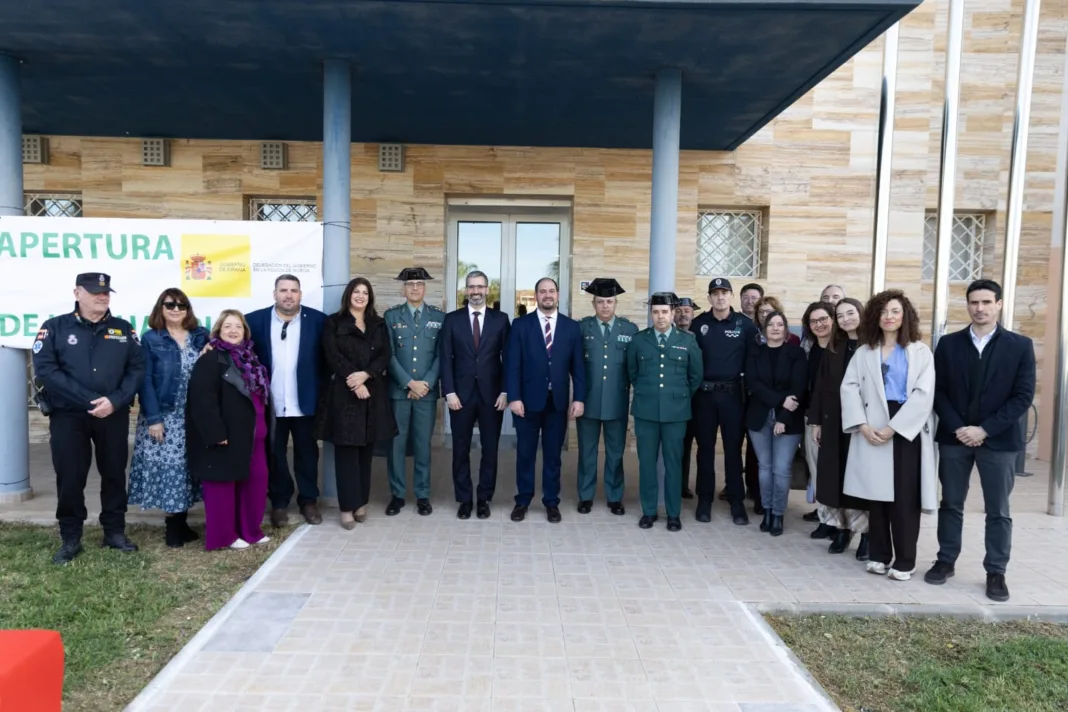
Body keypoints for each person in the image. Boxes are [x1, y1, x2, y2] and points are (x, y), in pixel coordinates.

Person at [925, 279, 1036, 602]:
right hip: (955, 437)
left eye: (986, 302)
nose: (980, 308)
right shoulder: (948, 345)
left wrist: (984, 429)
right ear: (968, 305)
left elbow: (1022, 396)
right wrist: (960, 427)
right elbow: (939, 391)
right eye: (974, 302)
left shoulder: (1019, 346)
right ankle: (946, 561)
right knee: (951, 504)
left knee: (998, 510)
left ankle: (996, 571)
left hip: (999, 442)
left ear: (999, 304)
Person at [32, 272, 145, 564]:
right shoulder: (54, 328)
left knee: (113, 474)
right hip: (69, 416)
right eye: (95, 291)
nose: (102, 296)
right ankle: (71, 537)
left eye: (106, 292)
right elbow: (46, 371)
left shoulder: (123, 329)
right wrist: (88, 400)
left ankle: (114, 533)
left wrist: (116, 401)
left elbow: (137, 369)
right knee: (70, 476)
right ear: (77, 293)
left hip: (113, 414)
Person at [841, 290, 936, 581]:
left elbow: (923, 394)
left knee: (905, 499)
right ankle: (880, 555)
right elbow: (850, 387)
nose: (889, 317)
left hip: (905, 429)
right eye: (883, 312)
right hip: (871, 427)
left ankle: (905, 561)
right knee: (877, 497)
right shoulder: (864, 351)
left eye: (894, 311)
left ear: (905, 315)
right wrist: (862, 425)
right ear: (874, 317)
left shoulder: (920, 351)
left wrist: (894, 428)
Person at [128, 288, 208, 548]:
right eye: (170, 305)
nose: (176, 309)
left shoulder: (201, 336)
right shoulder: (152, 338)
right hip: (165, 414)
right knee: (171, 469)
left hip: (194, 414)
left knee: (187, 468)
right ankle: (172, 527)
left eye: (181, 305)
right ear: (160, 308)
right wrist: (153, 418)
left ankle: (182, 523)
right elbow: (146, 380)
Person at [245, 274, 327, 527]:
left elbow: (326, 361)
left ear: (300, 294)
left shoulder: (318, 321)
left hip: (305, 402)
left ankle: (308, 500)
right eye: (283, 290)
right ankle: (279, 503)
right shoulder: (253, 321)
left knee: (307, 454)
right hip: (270, 404)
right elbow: (236, 349)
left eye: (294, 290)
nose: (288, 295)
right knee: (274, 455)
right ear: (274, 294)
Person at [186, 310, 272, 550]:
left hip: (255, 434)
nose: (233, 331)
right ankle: (224, 536)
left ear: (245, 331)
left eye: (238, 326)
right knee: (221, 486)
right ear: (218, 331)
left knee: (256, 482)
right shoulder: (211, 359)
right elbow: (203, 400)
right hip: (226, 436)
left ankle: (250, 530)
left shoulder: (251, 359)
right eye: (227, 326)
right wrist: (216, 433)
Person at [318, 278, 397, 529]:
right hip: (344, 396)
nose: (360, 296)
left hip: (372, 395)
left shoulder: (378, 323)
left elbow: (385, 355)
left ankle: (361, 502)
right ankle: (346, 508)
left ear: (370, 297)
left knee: (366, 453)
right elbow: (331, 355)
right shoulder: (334, 322)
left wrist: (367, 375)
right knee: (346, 454)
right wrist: (355, 381)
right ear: (348, 295)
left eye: (365, 292)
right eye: (356, 292)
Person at [506, 277, 586, 523]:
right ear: (537, 296)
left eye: (551, 291)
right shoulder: (520, 325)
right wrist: (514, 397)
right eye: (542, 291)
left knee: (553, 456)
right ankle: (523, 500)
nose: (547, 295)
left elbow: (579, 368)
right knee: (525, 454)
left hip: (558, 403)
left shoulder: (572, 328)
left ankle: (551, 502)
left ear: (558, 295)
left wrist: (579, 399)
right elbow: (512, 365)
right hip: (526, 403)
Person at [629, 292, 702, 531]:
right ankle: (649, 511)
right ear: (651, 314)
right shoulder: (639, 340)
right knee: (647, 463)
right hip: (646, 411)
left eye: (665, 312)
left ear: (673, 314)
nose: (660, 317)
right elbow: (633, 373)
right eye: (656, 312)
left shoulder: (688, 341)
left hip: (676, 413)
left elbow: (695, 377)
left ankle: (673, 513)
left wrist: (676, 397)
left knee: (673, 464)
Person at [441, 270, 510, 520]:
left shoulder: (501, 320)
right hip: (460, 396)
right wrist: (448, 391)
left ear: (487, 289)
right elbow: (445, 358)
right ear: (465, 290)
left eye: (480, 287)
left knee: (489, 449)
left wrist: (505, 391)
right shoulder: (452, 320)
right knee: (460, 449)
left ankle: (484, 498)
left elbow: (508, 359)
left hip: (493, 396)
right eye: (471, 287)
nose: (476, 291)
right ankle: (464, 499)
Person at [689, 277, 759, 525]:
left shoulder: (745, 325)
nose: (720, 297)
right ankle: (704, 500)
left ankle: (736, 501)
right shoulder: (699, 325)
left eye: (724, 293)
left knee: (732, 450)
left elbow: (755, 361)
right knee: (705, 450)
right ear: (709, 298)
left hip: (733, 397)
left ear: (731, 297)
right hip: (704, 396)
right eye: (715, 293)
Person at [808, 297, 869, 559]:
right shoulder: (836, 345)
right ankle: (842, 529)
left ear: (861, 314)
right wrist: (817, 421)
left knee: (862, 479)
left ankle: (867, 534)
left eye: (850, 313)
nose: (846, 320)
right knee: (836, 477)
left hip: (864, 426)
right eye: (841, 316)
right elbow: (821, 385)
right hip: (834, 423)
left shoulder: (873, 345)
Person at [384, 267, 444, 517]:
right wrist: (409, 383)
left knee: (422, 446)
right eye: (410, 285)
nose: (415, 288)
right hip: (400, 392)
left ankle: (422, 494)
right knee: (396, 446)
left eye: (419, 284)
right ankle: (397, 495)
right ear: (403, 289)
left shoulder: (439, 318)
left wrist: (425, 384)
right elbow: (388, 354)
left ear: (425, 288)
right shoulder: (390, 316)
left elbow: (442, 355)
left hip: (426, 395)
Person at [576, 278, 637, 515]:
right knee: (587, 452)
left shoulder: (629, 330)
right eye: (600, 302)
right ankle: (585, 496)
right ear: (593, 303)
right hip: (588, 402)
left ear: (615, 303)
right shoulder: (581, 328)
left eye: (609, 301)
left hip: (617, 401)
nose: (604, 306)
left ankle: (614, 496)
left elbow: (634, 367)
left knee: (615, 453)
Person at [745, 311, 806, 536]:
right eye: (771, 324)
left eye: (780, 325)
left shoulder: (796, 354)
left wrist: (783, 418)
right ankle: (767, 510)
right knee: (765, 468)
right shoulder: (754, 352)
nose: (776, 328)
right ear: (764, 328)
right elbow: (753, 383)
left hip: (788, 419)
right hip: (759, 417)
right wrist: (780, 400)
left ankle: (778, 514)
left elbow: (798, 388)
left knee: (781, 469)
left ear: (786, 329)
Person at [801, 301, 836, 537]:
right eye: (814, 321)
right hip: (812, 418)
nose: (819, 325)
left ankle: (841, 522)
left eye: (823, 319)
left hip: (838, 420)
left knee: (836, 471)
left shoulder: (844, 349)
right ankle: (826, 518)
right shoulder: (808, 349)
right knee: (816, 469)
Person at [674, 296, 701, 499]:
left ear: (693, 314)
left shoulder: (699, 337)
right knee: (678, 445)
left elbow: (697, 373)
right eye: (679, 310)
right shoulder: (668, 335)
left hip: (696, 399)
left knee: (696, 444)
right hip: (674, 401)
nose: (683, 314)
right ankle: (678, 485)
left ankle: (692, 485)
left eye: (687, 310)